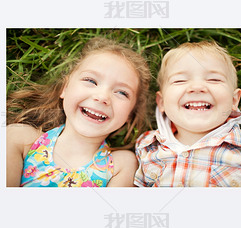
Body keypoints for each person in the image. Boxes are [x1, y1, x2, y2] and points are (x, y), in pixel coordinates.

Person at [7, 36, 150, 187]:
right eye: (91, 81)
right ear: (65, 88)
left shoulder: (121, 165)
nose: (102, 97)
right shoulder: (21, 139)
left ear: (130, 114)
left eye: (121, 92)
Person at [134, 41, 241, 187]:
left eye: (214, 79)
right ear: (161, 102)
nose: (197, 87)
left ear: (234, 100)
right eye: (180, 80)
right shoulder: (145, 146)